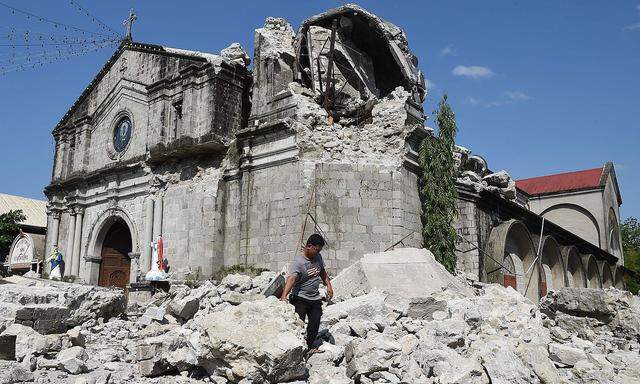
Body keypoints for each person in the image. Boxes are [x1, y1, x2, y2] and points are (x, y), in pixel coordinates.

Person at [280, 234, 333, 352]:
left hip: (314, 298)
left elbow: (322, 272)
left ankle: (309, 348)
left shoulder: (318, 257)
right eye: (316, 250)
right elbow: (291, 279)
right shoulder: (298, 262)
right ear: (309, 246)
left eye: (319, 250)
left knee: (314, 324)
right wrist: (284, 296)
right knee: (298, 326)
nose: (318, 253)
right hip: (300, 298)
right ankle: (296, 351)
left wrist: (329, 285)